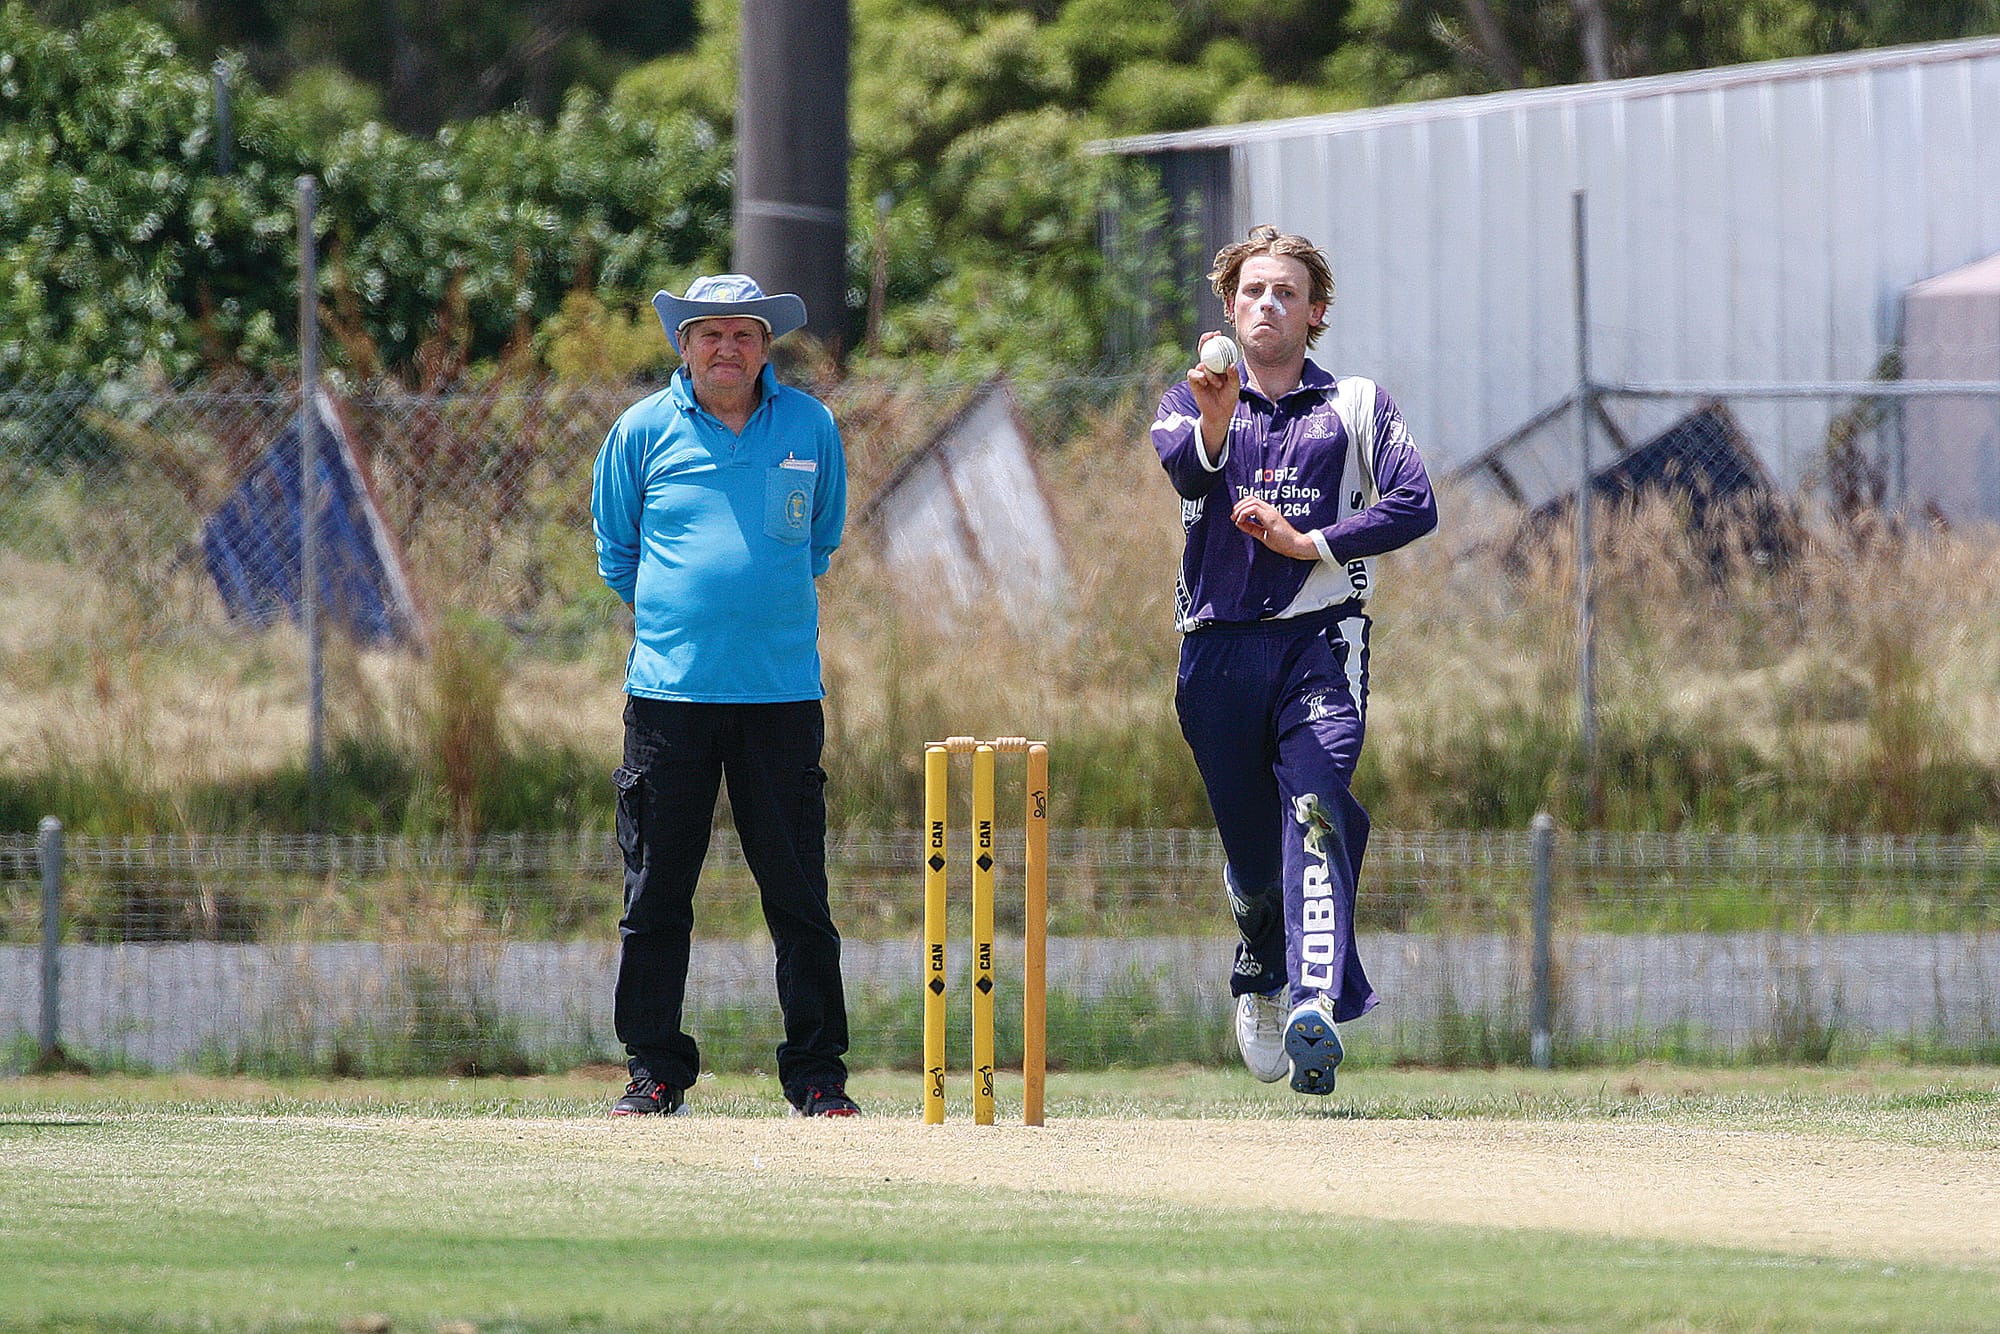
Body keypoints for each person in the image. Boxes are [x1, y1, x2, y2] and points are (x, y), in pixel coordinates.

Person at [1150, 224, 1438, 1095]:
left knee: (1316, 807)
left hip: (1321, 642)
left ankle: (1314, 999)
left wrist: (1309, 541)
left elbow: (1414, 503)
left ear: (1315, 312)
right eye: (1251, 292)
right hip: (1216, 651)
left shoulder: (1355, 404)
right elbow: (1186, 474)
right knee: (1251, 857)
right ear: (1228, 310)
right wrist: (1213, 420)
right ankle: (1260, 961)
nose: (1267, 304)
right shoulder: (1191, 398)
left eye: (1286, 292)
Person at [592, 274, 859, 1118]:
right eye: (709, 334)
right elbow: (616, 552)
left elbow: (819, 542)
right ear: (684, 345)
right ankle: (655, 1069)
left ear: (765, 346)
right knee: (657, 893)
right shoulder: (641, 431)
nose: (727, 349)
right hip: (670, 700)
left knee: (798, 896)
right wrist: (686, 627)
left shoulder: (811, 427)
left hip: (780, 697)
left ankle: (817, 1077)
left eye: (743, 334)